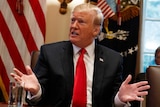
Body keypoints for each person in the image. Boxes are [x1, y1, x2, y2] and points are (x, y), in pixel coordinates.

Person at [11, 3, 150, 107]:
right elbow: (40, 96)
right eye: (72, 20)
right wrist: (37, 90)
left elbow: (113, 98)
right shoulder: (50, 53)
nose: (74, 26)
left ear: (96, 30)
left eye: (81, 22)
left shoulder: (113, 60)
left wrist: (120, 98)